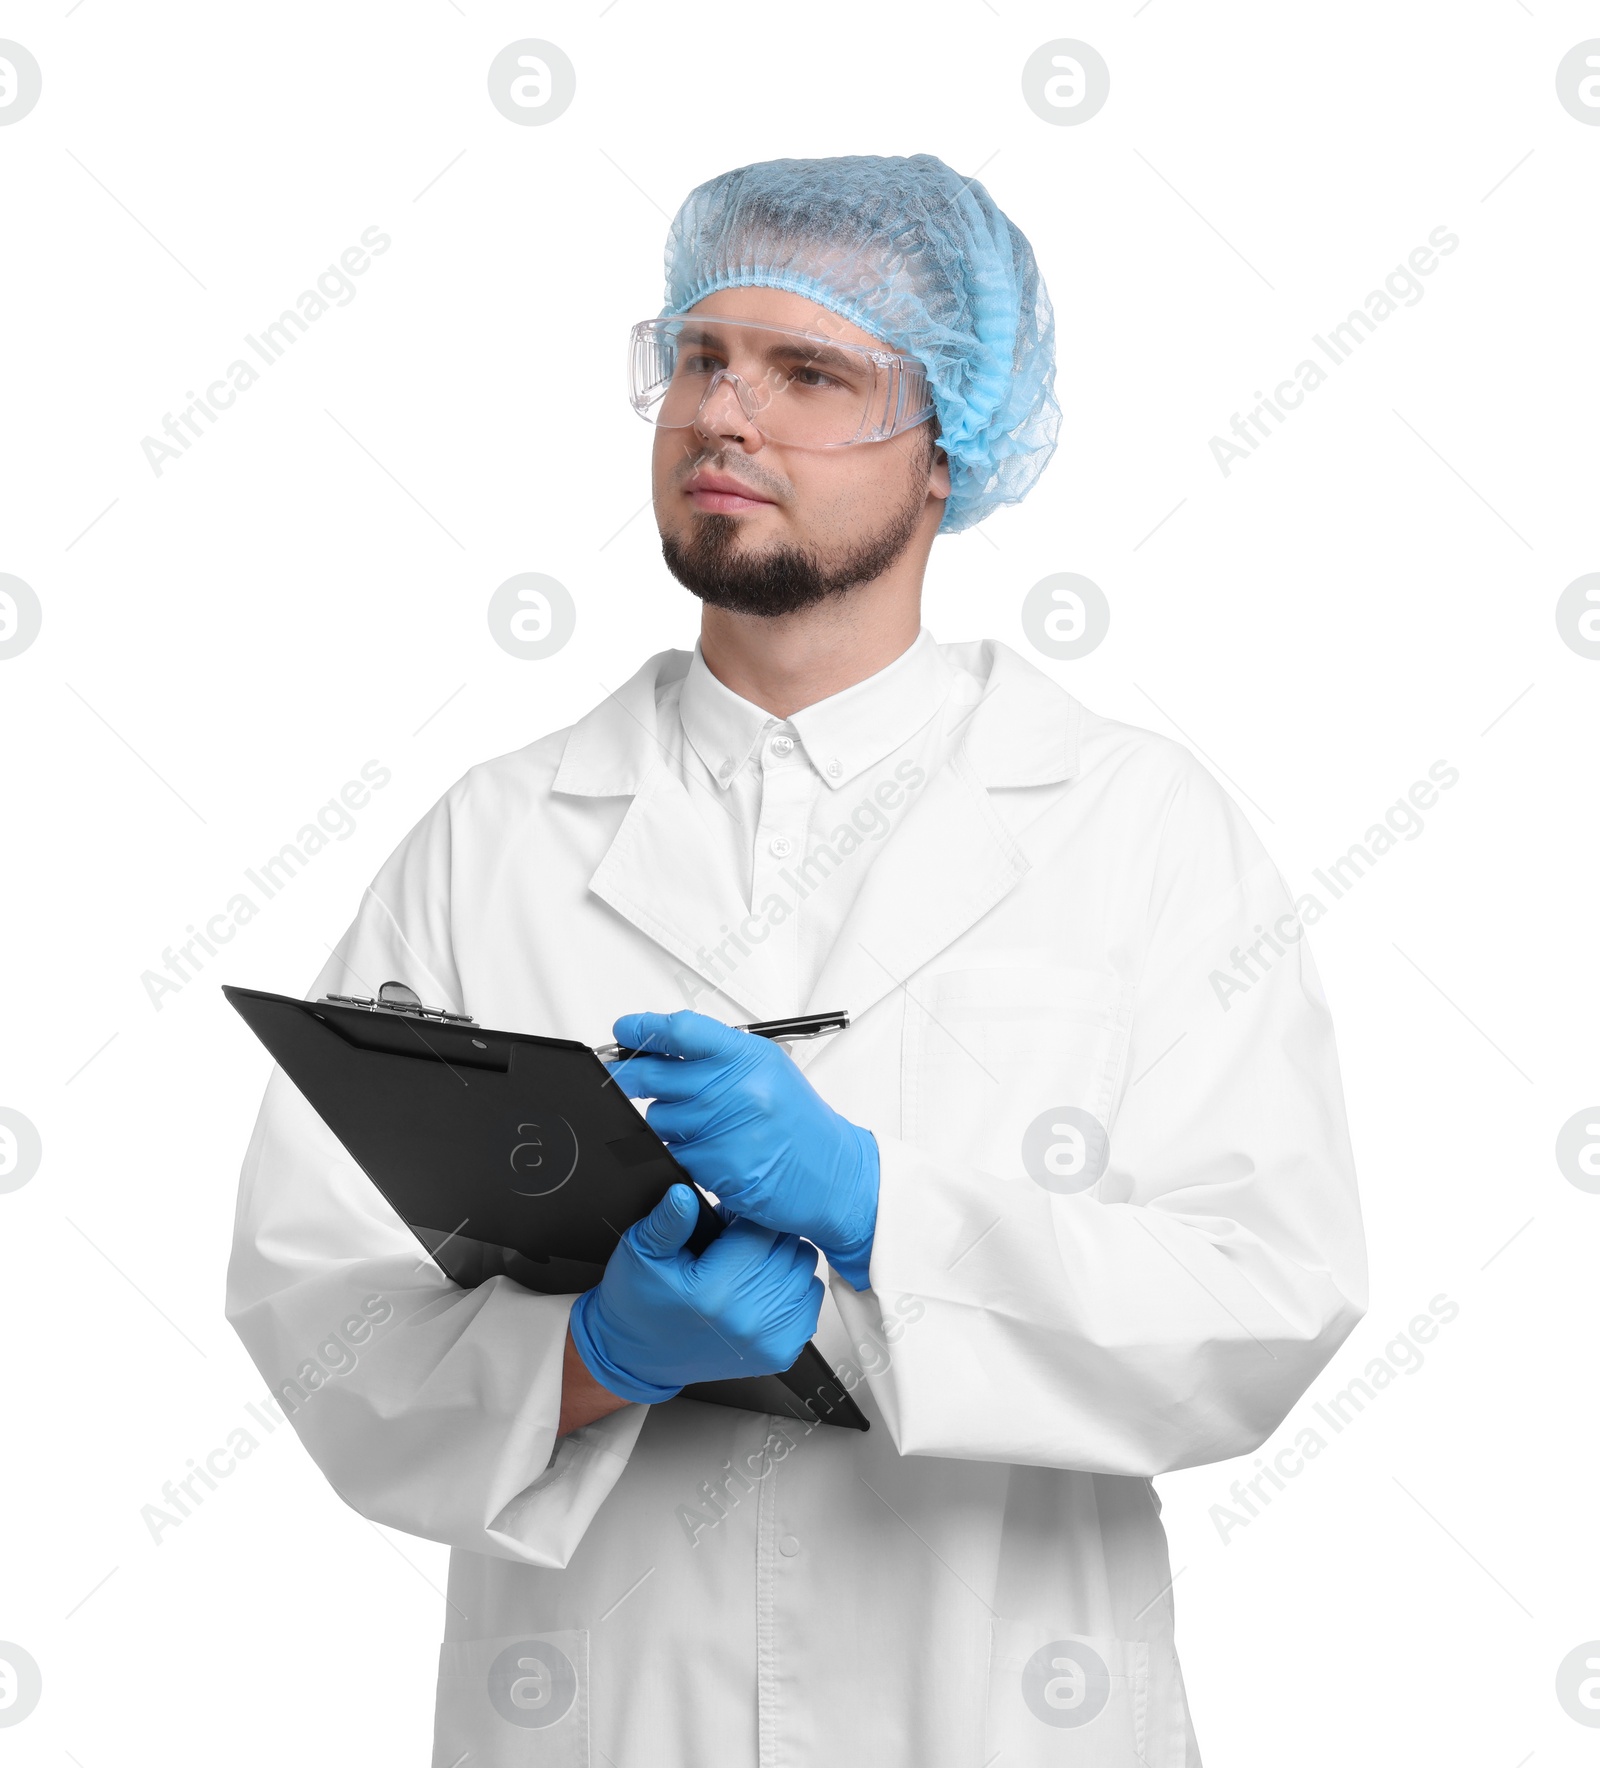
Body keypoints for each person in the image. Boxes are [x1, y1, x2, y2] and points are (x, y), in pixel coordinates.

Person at [227, 153, 1366, 1766]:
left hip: (994, 1717)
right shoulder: (496, 839)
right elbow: (310, 1299)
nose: (723, 415)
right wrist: (586, 1363)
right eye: (699, 358)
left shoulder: (1134, 830)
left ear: (949, 448)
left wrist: (881, 1208)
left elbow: (1267, 1301)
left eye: (809, 372)